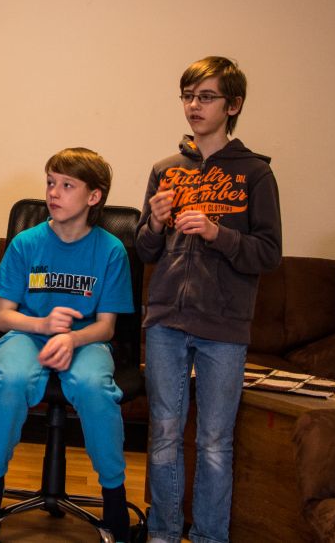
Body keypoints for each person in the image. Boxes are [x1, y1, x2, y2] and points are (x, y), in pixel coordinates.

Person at [136, 56, 281, 543]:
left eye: (206, 97)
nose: (193, 106)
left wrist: (218, 234)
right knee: (164, 433)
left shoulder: (256, 174)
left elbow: (268, 253)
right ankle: (162, 532)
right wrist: (155, 222)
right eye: (187, 96)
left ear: (232, 105)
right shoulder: (165, 169)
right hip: (166, 321)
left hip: (224, 325)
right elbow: (145, 250)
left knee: (215, 441)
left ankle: (209, 537)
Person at [0, 147, 134, 542]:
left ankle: (114, 497)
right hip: (26, 334)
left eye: (66, 185)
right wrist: (42, 324)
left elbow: (107, 327)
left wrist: (71, 337)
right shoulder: (26, 243)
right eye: (50, 183)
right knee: (10, 381)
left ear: (94, 196)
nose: (53, 193)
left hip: (85, 341)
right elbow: (2, 317)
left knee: (95, 387)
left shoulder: (111, 250)